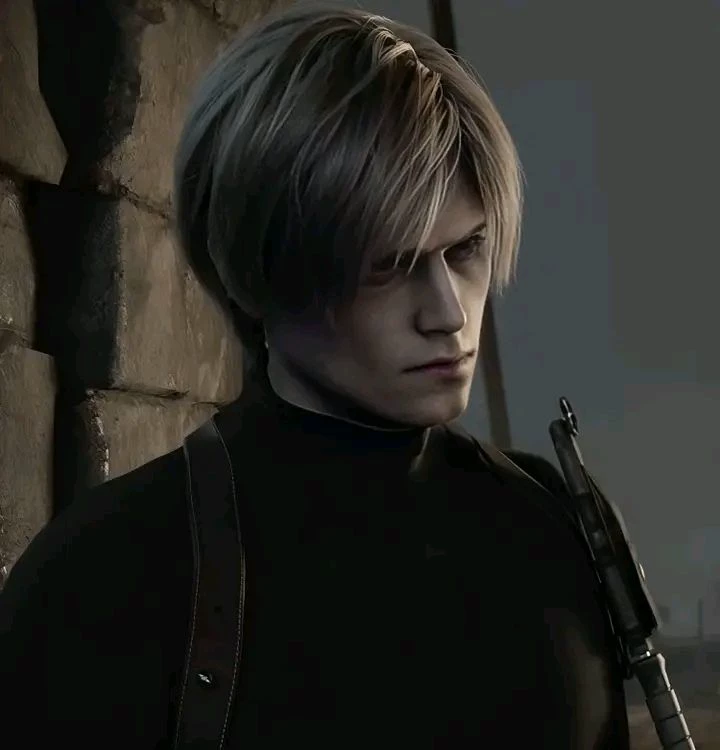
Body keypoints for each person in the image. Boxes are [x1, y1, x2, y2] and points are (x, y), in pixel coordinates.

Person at [0, 3, 630, 747]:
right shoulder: (106, 576)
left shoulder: (547, 526)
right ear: (259, 270)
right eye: (390, 265)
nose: (449, 313)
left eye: (466, 250)